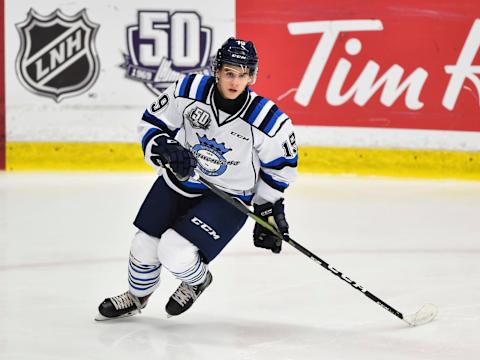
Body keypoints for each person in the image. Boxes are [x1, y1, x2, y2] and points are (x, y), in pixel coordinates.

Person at [95, 37, 298, 320]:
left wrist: (267, 207)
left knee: (174, 251)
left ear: (251, 76)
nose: (235, 82)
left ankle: (197, 279)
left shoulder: (268, 120)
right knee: (144, 245)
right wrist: (164, 147)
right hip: (180, 181)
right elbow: (151, 124)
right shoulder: (188, 89)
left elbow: (280, 167)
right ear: (217, 71)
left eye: (242, 75)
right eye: (229, 72)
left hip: (229, 198)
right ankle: (137, 296)